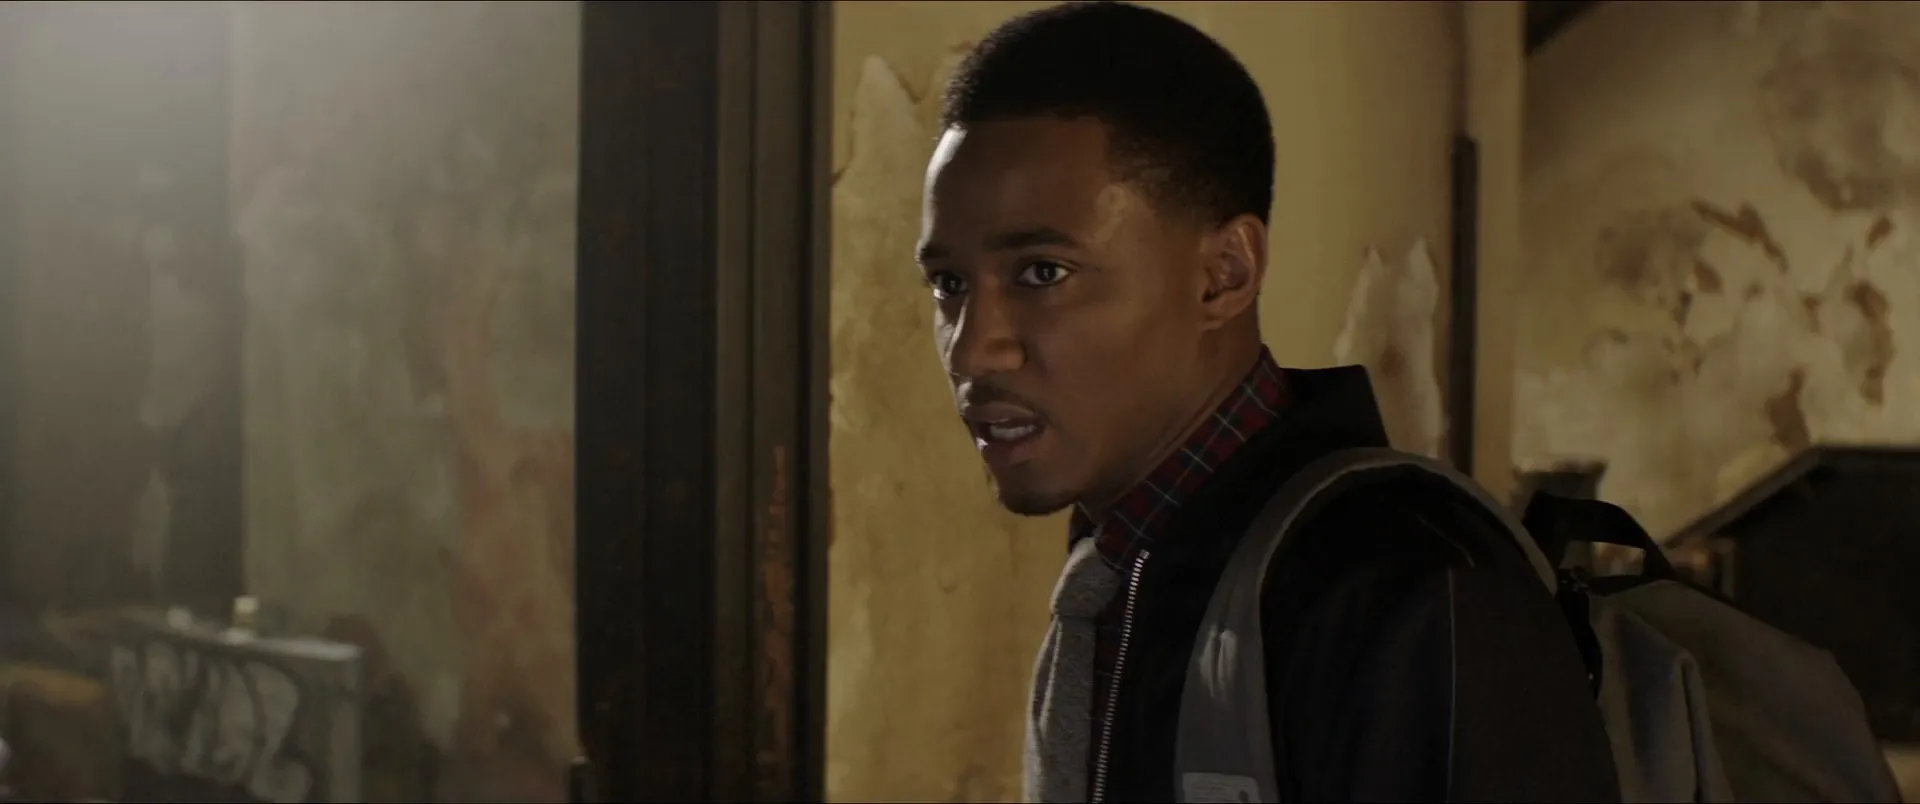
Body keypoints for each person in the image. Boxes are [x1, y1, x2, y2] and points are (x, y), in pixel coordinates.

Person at [913, 3, 1621, 802]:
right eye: (949, 284)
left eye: (1044, 273)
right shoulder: (1121, 565)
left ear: (1225, 274)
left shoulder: (1415, 588)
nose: (972, 349)